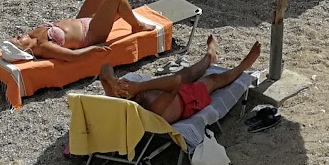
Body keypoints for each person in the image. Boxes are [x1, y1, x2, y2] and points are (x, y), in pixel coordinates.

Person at [99, 35, 261, 124]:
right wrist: (139, 87)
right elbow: (175, 82)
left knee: (187, 73)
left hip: (169, 90)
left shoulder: (120, 100)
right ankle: (243, 66)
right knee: (213, 80)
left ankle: (209, 56)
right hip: (187, 101)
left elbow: (104, 67)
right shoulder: (153, 111)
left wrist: (112, 81)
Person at [8, 0, 158, 61]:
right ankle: (137, 26)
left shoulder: (32, 35)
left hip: (82, 20)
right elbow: (72, 57)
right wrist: (94, 49)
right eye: (18, 40)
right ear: (25, 50)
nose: (19, 36)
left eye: (16, 37)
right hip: (91, 34)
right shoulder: (43, 47)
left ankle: (117, 12)